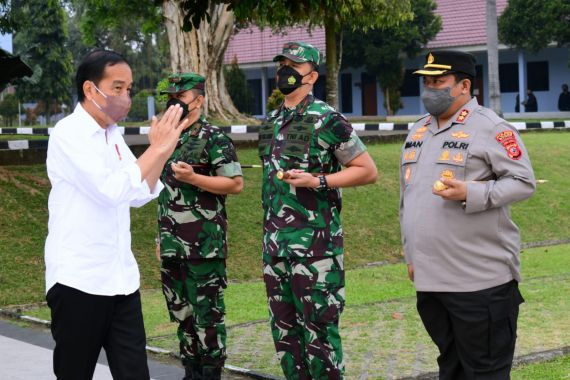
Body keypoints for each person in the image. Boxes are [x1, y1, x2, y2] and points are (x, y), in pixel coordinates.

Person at [44, 49, 189, 380]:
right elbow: (110, 190)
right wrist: (157, 149)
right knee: (74, 373)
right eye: (118, 88)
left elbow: (137, 193)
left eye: (129, 89)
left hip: (121, 282)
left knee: (135, 373)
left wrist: (161, 153)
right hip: (78, 281)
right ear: (90, 89)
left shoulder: (112, 134)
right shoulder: (68, 134)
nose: (126, 97)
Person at [400, 50, 536, 379]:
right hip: (432, 281)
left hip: (479, 281)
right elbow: (408, 198)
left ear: (463, 86)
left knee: (484, 371)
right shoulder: (418, 131)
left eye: (439, 81)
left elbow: (523, 182)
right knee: (451, 367)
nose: (430, 88)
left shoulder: (491, 127)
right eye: (427, 81)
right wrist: (411, 252)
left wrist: (471, 193)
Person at [259, 42, 378, 379]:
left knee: (320, 334)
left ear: (311, 76)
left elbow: (367, 170)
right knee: (285, 332)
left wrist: (319, 180)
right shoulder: (270, 123)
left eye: (293, 66)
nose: (284, 71)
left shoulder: (327, 118)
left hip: (316, 249)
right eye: (282, 63)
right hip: (276, 247)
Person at [156, 72, 244, 380]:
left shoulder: (214, 138)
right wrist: (160, 238)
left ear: (199, 101)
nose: (174, 103)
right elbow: (161, 193)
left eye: (180, 98)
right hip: (171, 244)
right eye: (171, 98)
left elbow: (234, 184)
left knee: (208, 318)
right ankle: (190, 372)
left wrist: (194, 178)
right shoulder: (165, 139)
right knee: (182, 315)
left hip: (204, 245)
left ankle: (210, 374)